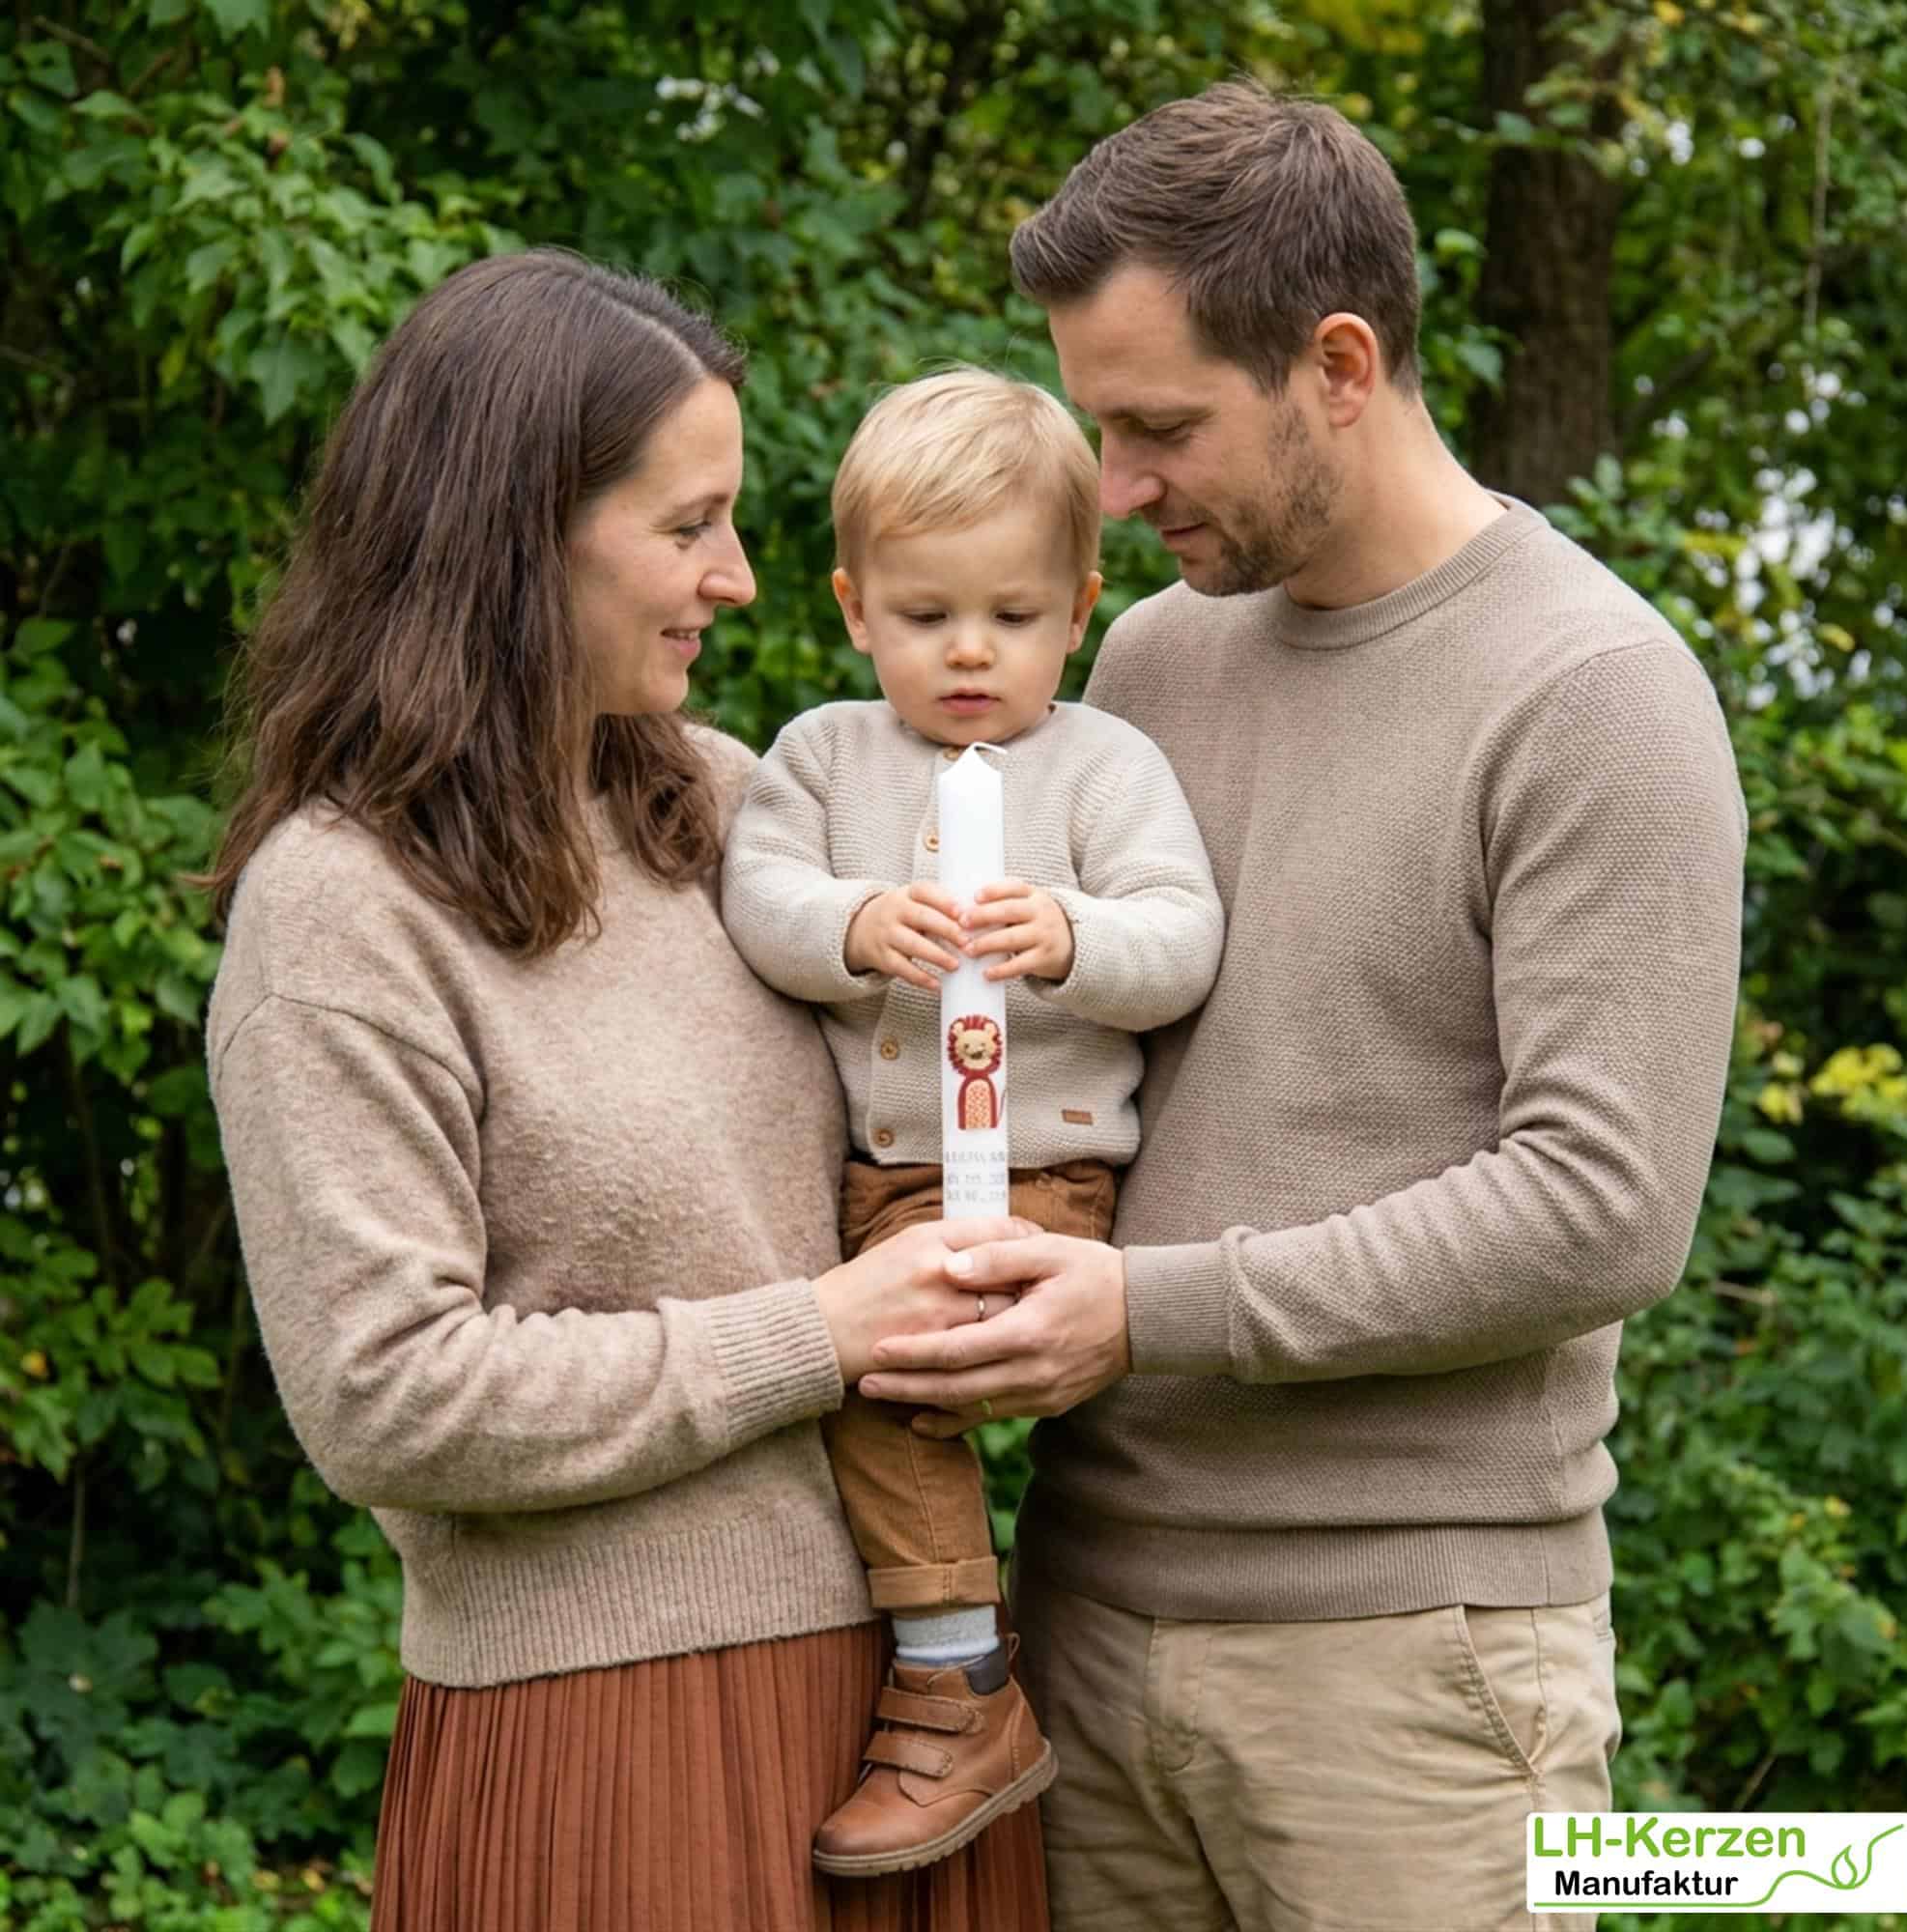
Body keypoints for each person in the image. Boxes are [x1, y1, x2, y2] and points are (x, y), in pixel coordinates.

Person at [857, 82, 1748, 1932]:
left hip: (1415, 1679)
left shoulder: (1595, 694)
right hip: (1087, 1629)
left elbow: (1600, 1208)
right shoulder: (1152, 654)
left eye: (1159, 425)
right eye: (1100, 423)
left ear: (1338, 363)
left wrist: (1143, 1307)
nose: (1111, 489)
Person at [201, 249, 1052, 1931]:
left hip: (919, 1713)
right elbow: (386, 1393)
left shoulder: (737, 813)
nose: (738, 579)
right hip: (609, 1741)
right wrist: (824, 1331)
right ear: (515, 533)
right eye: (688, 527)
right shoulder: (339, 910)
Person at [721, 368, 1224, 1877]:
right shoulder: (820, 758)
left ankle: (954, 1668)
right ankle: (959, 1667)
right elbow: (759, 902)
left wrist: (1069, 936)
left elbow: (1184, 936)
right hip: (884, 1174)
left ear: (1079, 610)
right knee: (869, 1380)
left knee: (923, 1359)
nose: (967, 652)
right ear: (855, 605)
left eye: (1010, 617)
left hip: (1051, 1165)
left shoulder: (1103, 766)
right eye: (926, 614)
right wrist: (856, 922)